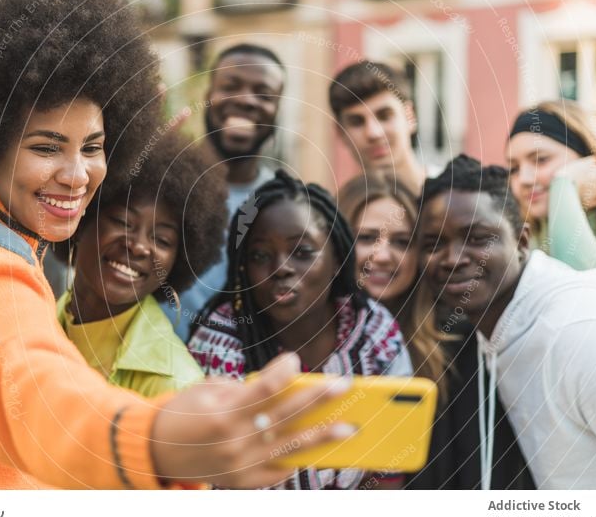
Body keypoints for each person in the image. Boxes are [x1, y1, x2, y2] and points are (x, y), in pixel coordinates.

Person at [0, 0, 354, 490]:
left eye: (93, 148)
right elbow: (31, 391)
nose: (77, 175)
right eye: (46, 147)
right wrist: (157, 441)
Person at [418, 154, 596, 489]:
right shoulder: (497, 329)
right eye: (433, 244)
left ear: (522, 241)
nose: (453, 258)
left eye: (478, 238)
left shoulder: (583, 331)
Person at [188, 170, 413, 489]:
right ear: (243, 267)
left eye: (303, 252)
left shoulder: (374, 328)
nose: (282, 267)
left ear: (337, 260)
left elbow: (392, 462)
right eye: (261, 255)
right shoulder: (218, 343)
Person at [339, 174, 533, 489]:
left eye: (402, 241)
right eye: (367, 237)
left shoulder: (457, 342)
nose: (383, 255)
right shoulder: (315, 339)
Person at [54, 132, 228, 397]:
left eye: (162, 239)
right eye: (123, 222)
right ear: (81, 219)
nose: (138, 246)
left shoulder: (175, 386)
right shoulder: (36, 318)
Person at [167, 43, 284, 340]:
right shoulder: (163, 179)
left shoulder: (283, 203)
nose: (246, 100)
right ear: (208, 97)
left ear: (277, 111)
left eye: (263, 93)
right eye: (230, 86)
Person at [507, 100, 596, 311]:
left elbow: (582, 292)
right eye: (514, 168)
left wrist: (563, 184)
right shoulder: (515, 251)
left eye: (541, 160)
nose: (524, 178)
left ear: (593, 164)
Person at [329, 60, 424, 192]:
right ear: (341, 133)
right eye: (357, 122)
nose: (373, 133)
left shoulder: (455, 198)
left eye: (385, 116)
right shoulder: (336, 211)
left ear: (410, 117)